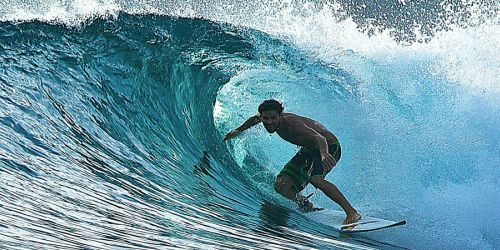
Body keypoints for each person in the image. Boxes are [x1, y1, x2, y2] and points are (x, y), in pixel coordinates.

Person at [222, 99, 361, 224]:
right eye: (265, 118)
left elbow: (320, 138)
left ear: (280, 115)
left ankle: (351, 212)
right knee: (280, 185)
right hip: (309, 150)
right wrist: (237, 131)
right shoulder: (264, 118)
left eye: (273, 118)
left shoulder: (292, 124)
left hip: (329, 146)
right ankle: (304, 203)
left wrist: (324, 154)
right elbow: (254, 120)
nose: (269, 122)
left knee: (316, 179)